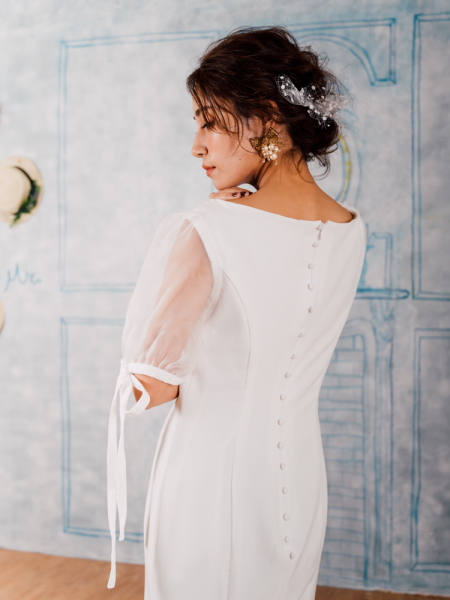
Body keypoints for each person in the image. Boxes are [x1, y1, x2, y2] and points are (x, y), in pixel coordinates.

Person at [106, 25, 366, 600]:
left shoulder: (206, 230)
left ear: (267, 117)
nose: (196, 146)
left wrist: (181, 245)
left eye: (208, 121)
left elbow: (149, 388)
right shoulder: (352, 229)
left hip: (207, 483)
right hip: (300, 483)